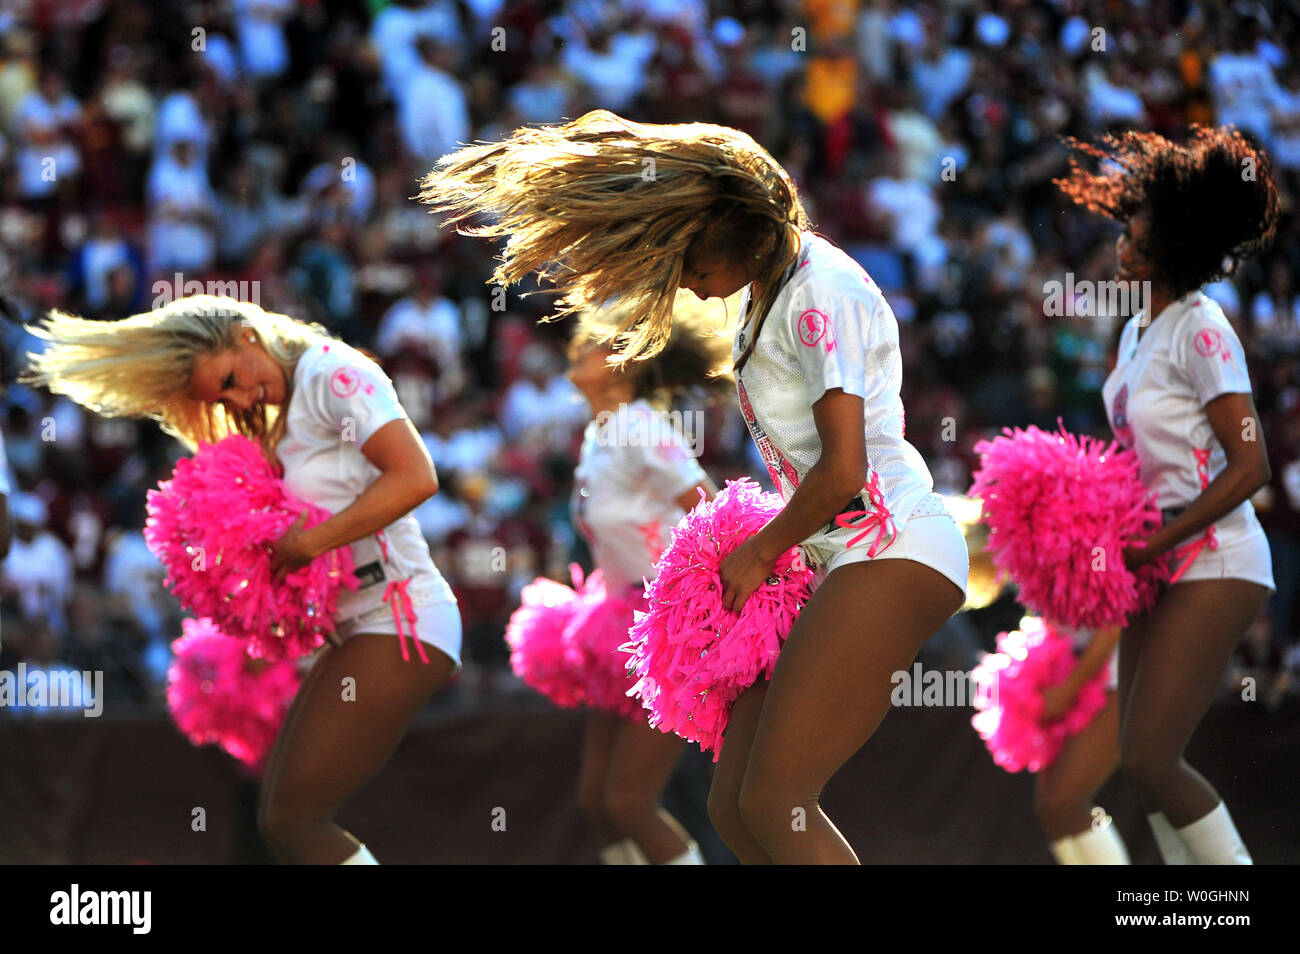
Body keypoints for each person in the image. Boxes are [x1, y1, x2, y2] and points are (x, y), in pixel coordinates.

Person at [420, 110, 969, 864]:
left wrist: (755, 554)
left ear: (738, 227)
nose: (694, 290)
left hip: (894, 543)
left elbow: (845, 472)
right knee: (736, 808)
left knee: (779, 803)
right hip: (835, 555)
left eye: (694, 266)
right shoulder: (762, 295)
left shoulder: (822, 288)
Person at [22, 295, 461, 865]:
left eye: (229, 378)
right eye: (220, 397)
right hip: (359, 627)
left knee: (293, 821)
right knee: (281, 820)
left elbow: (415, 477)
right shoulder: (277, 411)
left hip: (403, 618)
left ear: (245, 333)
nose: (237, 399)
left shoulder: (333, 372)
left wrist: (306, 545)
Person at [1058, 126, 1279, 863]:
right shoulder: (1132, 333)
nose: (1124, 242)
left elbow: (1251, 466)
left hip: (1215, 554)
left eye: (1140, 232)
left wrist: (1156, 539)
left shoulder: (1203, 328)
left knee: (1153, 758)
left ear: (1179, 241)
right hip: (1156, 559)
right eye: (1125, 227)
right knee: (1141, 764)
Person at [565, 292, 726, 865]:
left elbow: (713, 513)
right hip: (619, 622)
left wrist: (701, 603)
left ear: (624, 359)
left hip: (664, 626)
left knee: (629, 801)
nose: (576, 347)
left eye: (592, 341)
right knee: (597, 800)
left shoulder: (640, 427)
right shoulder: (597, 435)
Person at [1034, 624, 1129, 864]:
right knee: (1050, 807)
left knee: (1063, 802)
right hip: (1070, 674)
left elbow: (1113, 625)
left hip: (1116, 675)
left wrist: (1067, 691)